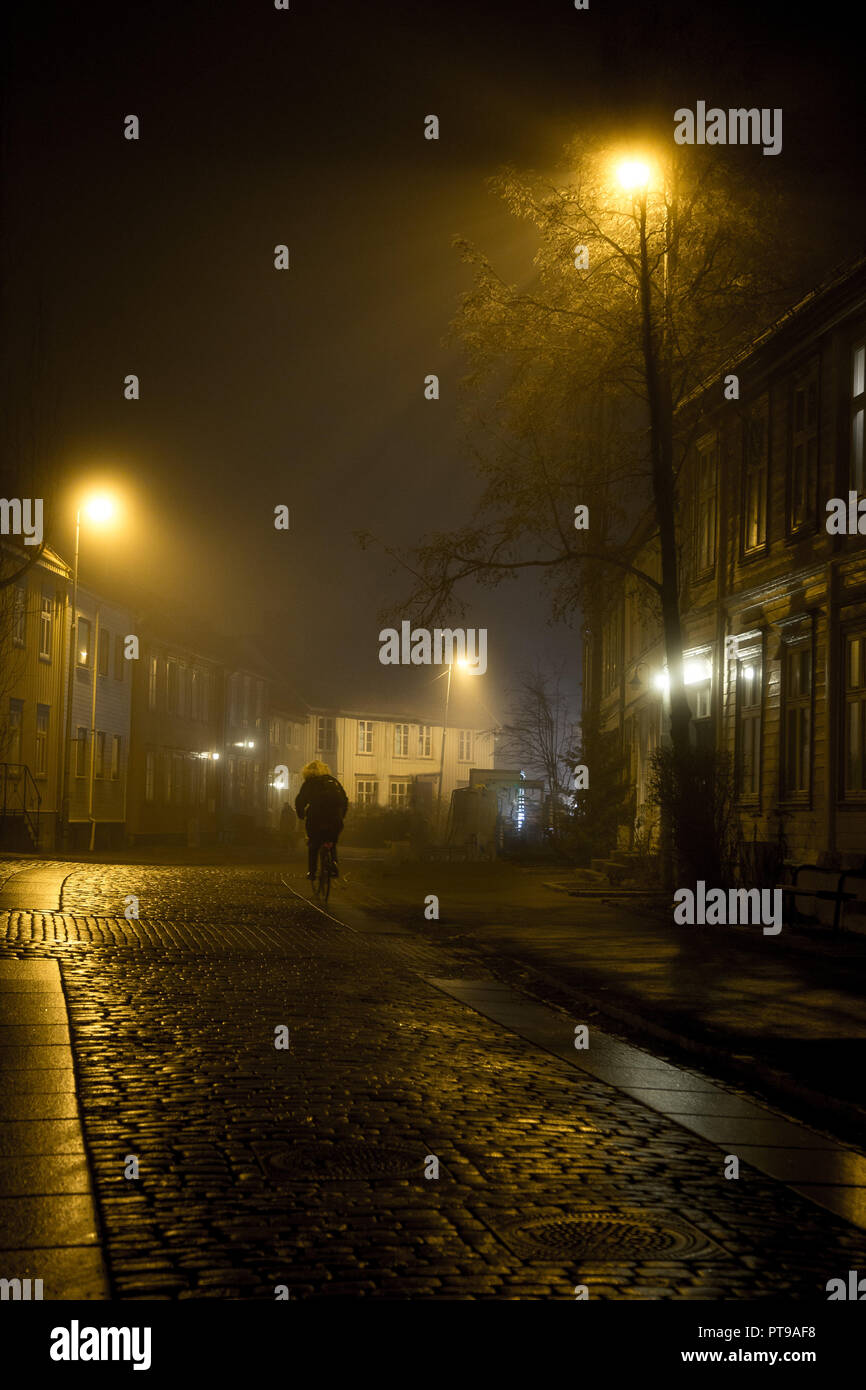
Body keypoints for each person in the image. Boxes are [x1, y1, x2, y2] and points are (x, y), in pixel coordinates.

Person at [294, 760, 349, 881]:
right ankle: (334, 864)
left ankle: (312, 872)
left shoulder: (309, 783)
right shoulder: (334, 782)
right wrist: (342, 816)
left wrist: (301, 815)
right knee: (331, 842)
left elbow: (300, 802)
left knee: (314, 844)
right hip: (335, 820)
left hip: (316, 819)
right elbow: (344, 800)